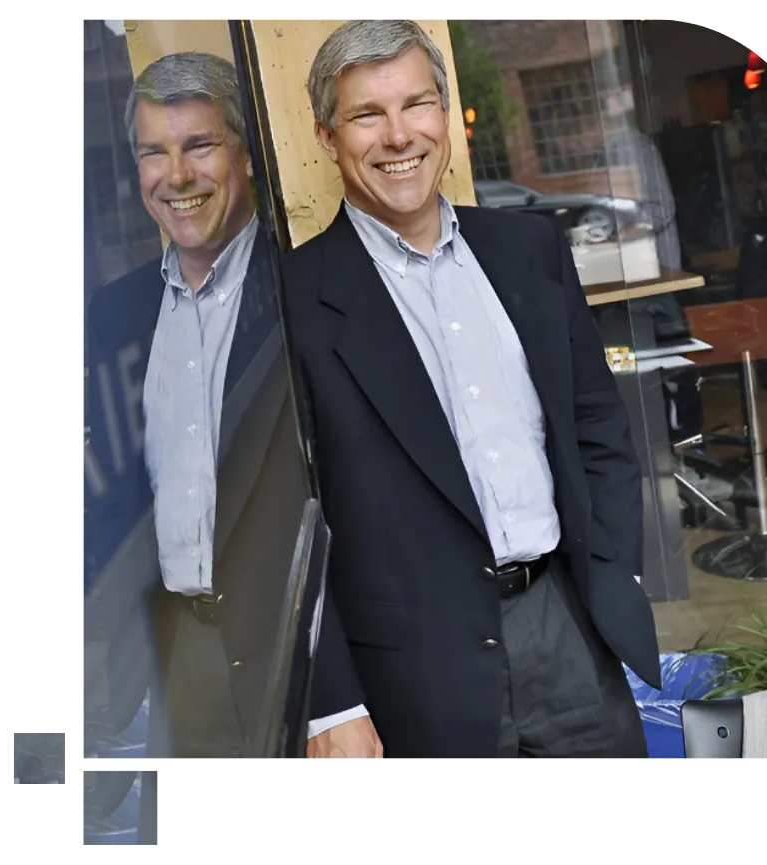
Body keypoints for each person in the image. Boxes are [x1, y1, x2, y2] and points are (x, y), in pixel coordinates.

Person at [280, 17, 662, 760]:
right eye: (367, 114)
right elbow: (292, 529)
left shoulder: (529, 250)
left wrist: (612, 570)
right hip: (413, 670)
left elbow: (597, 426)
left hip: (567, 628)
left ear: (445, 113)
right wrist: (332, 703)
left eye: (416, 104)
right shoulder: (291, 301)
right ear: (327, 137)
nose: (399, 135)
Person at [82, 52, 300, 759]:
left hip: (305, 650)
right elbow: (117, 505)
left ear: (245, 154)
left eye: (199, 145)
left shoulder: (305, 287)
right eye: (154, 152)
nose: (175, 176)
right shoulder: (118, 313)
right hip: (181, 662)